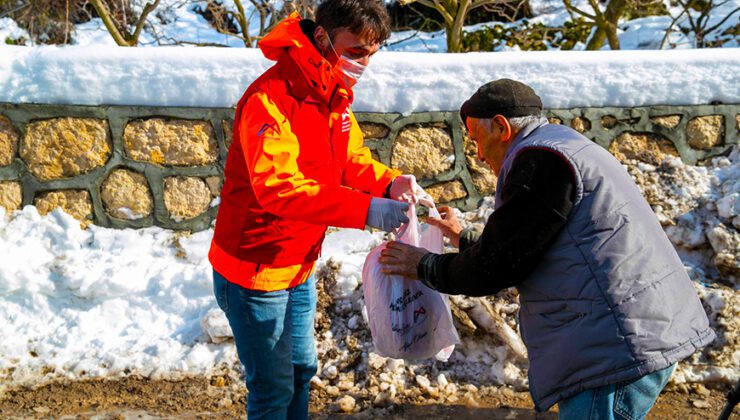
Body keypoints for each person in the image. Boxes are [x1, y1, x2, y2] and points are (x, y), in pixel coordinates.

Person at [379, 79, 716, 419]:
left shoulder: (542, 161)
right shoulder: (561, 146)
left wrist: (424, 266)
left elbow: (496, 267)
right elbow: (533, 242)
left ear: (501, 126)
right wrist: (464, 237)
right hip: (629, 333)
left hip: (614, 346)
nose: (478, 156)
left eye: (477, 140)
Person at [208, 1, 419, 418]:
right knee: (272, 388)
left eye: (371, 54)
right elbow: (278, 190)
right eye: (356, 51)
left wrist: (389, 182)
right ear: (322, 36)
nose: (363, 63)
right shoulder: (270, 99)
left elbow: (350, 158)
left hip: (299, 263)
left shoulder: (332, 92)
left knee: (302, 370)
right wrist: (366, 210)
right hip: (255, 269)